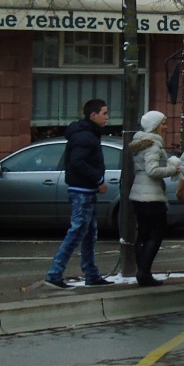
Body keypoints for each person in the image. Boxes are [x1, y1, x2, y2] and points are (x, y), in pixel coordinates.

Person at [45, 99, 113, 289]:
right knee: (77, 232)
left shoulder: (87, 134)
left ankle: (91, 274)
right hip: (82, 190)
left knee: (89, 233)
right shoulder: (86, 136)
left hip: (84, 189)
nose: (107, 117)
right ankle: (54, 273)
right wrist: (98, 179)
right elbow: (77, 162)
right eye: (104, 113)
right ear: (93, 115)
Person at [129, 110, 184, 286]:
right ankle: (144, 272)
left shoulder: (140, 143)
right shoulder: (153, 145)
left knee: (143, 234)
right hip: (152, 196)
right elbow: (152, 171)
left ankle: (142, 272)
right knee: (156, 234)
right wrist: (172, 170)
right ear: (155, 126)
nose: (165, 126)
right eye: (162, 123)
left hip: (139, 194)